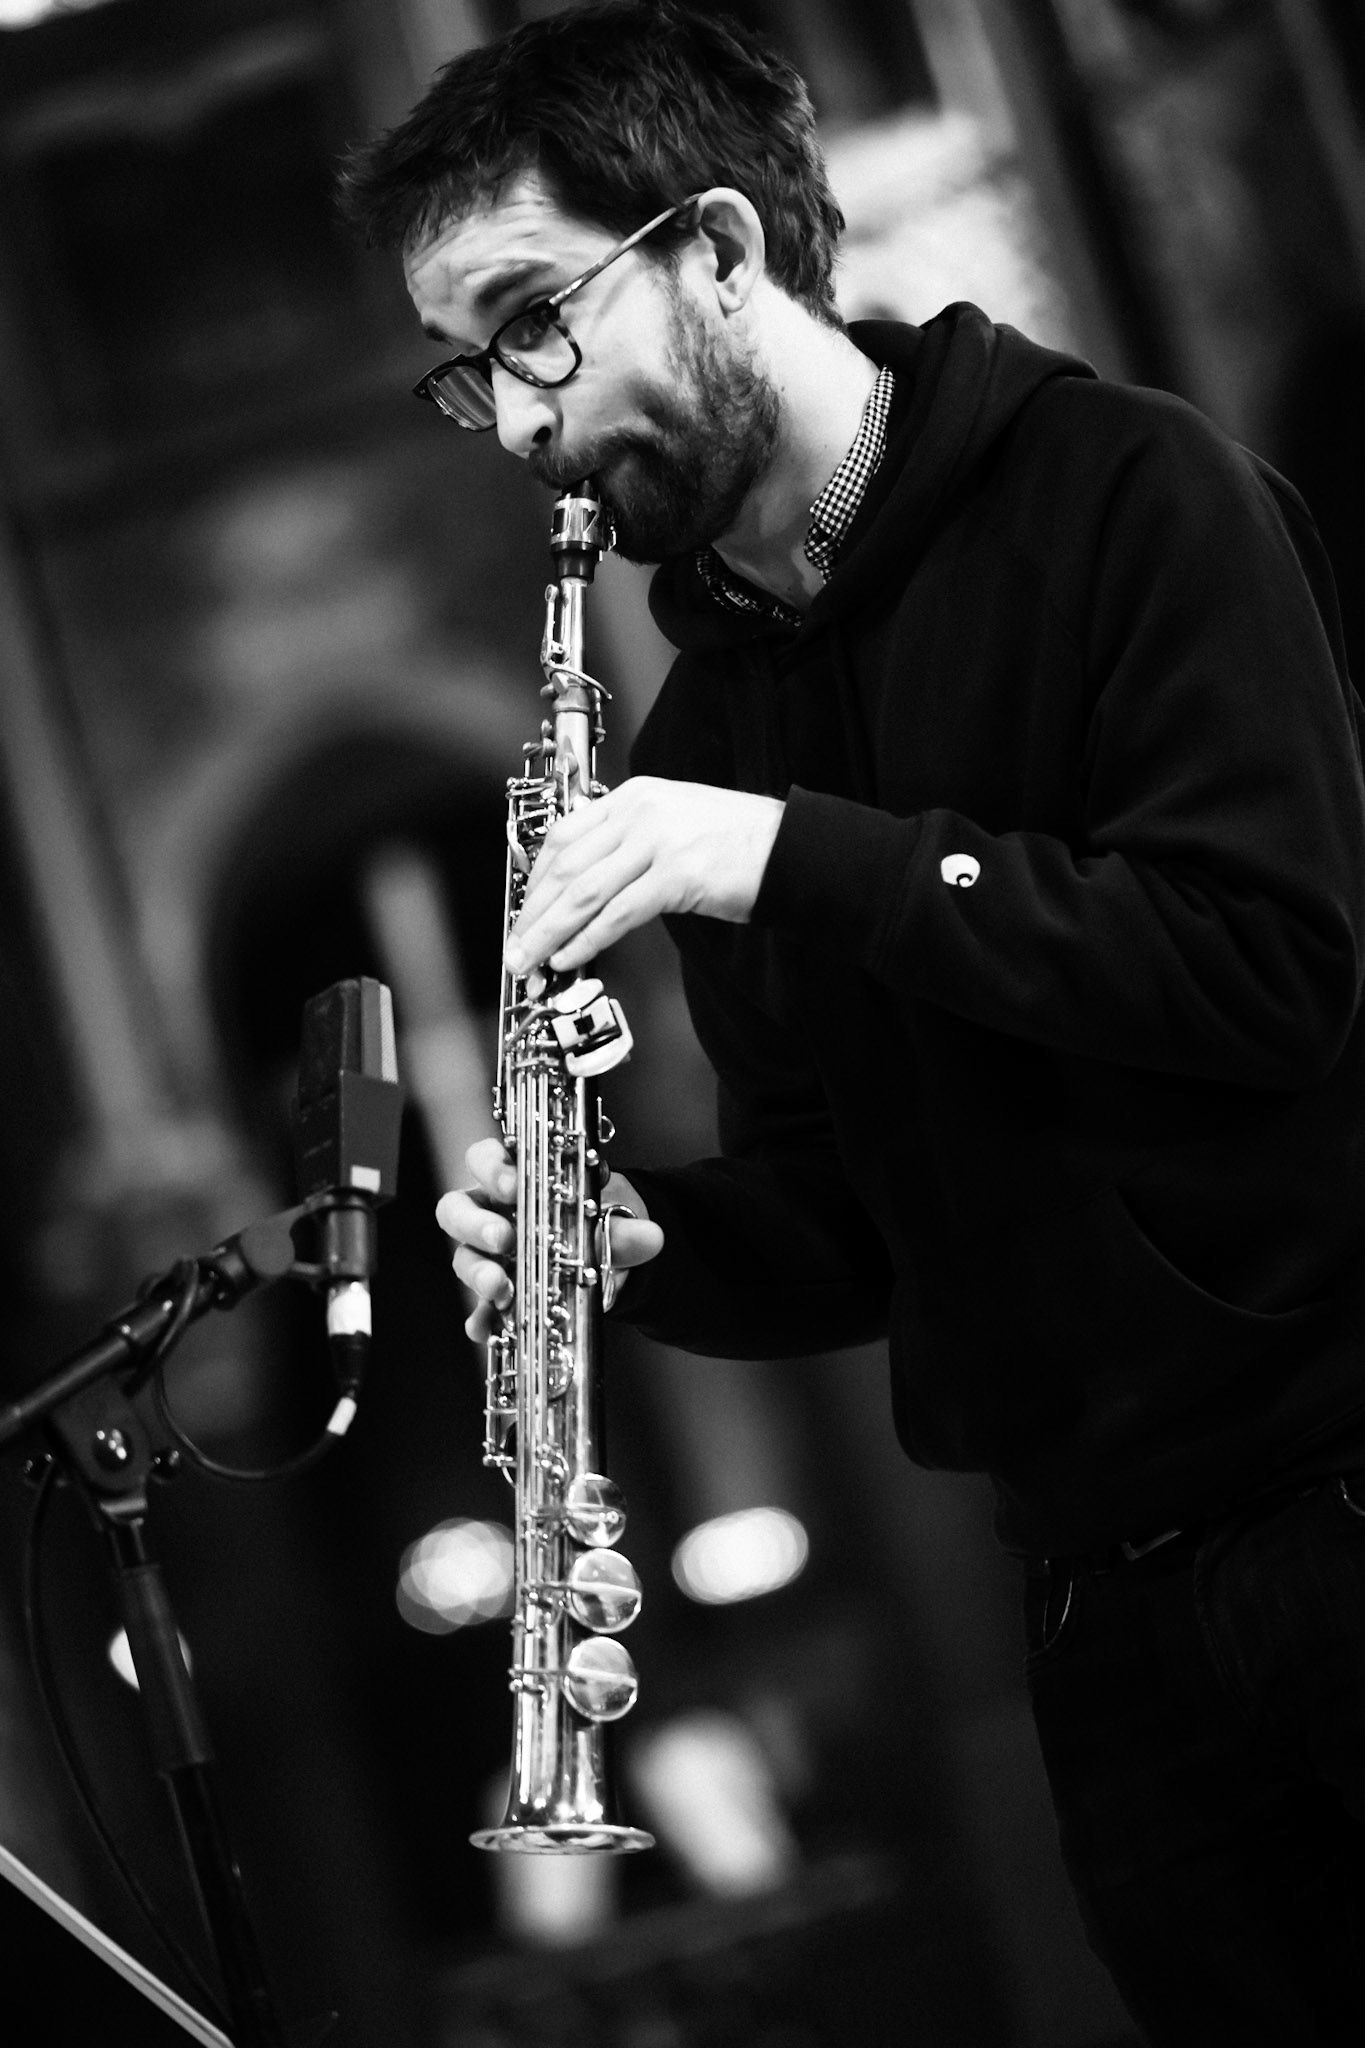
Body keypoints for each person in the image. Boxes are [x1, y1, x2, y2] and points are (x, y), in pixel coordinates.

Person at [339, 5, 1365, 2040]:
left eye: (535, 319)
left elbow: (1267, 969)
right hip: (1096, 1612)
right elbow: (850, 1211)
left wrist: (798, 856)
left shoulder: (1127, 493)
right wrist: (649, 1249)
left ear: (716, 246)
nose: (519, 419)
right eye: (470, 370)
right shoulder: (719, 717)